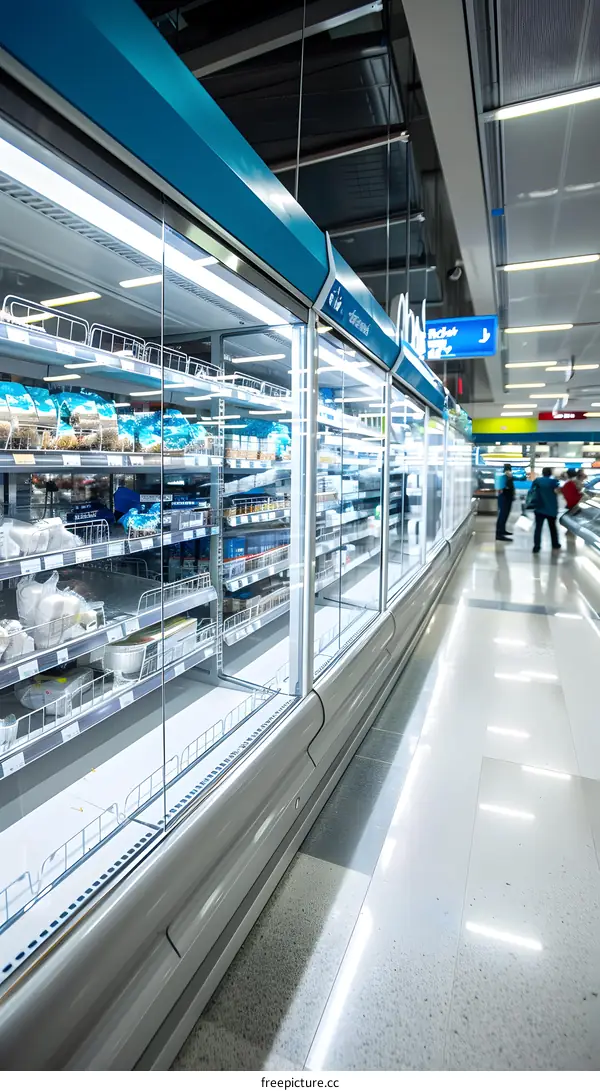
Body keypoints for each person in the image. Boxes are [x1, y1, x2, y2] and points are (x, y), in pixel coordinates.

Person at [529, 467, 561, 553]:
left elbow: (531, 491)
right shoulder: (553, 482)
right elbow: (558, 492)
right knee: (552, 527)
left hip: (539, 507)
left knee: (538, 528)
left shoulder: (537, 481)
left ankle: (536, 546)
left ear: (543, 473)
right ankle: (555, 544)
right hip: (551, 509)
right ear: (550, 473)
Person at [496, 462, 514, 542]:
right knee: (502, 515)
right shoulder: (503, 476)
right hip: (504, 499)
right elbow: (502, 488)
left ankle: (502, 530)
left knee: (505, 515)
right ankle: (499, 534)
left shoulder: (507, 476)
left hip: (507, 498)